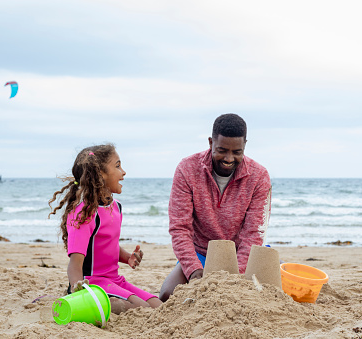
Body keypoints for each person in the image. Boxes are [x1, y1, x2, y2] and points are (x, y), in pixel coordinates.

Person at [159, 113, 272, 302]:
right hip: (201, 253)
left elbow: (253, 234)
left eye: (237, 152)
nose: (229, 158)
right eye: (222, 150)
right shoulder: (187, 169)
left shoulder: (259, 176)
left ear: (245, 145)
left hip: (240, 254)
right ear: (211, 142)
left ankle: (275, 263)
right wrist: (194, 271)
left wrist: (236, 276)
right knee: (167, 295)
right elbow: (180, 228)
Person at [48, 144, 162, 313]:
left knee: (158, 305)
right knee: (142, 308)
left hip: (115, 280)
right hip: (93, 283)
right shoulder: (84, 213)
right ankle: (101, 303)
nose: (123, 172)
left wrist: (127, 257)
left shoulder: (116, 207)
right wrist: (79, 294)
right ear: (100, 174)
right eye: (117, 166)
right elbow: (75, 264)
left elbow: (107, 244)